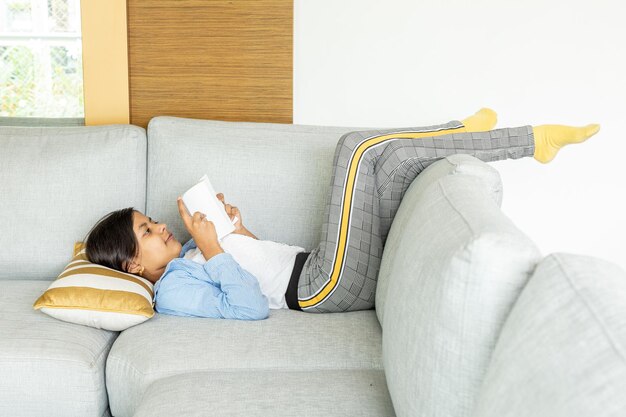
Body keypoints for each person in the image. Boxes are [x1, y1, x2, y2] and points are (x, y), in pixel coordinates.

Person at [85, 108, 600, 318]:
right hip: (319, 287)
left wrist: (238, 231)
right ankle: (522, 141)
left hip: (320, 265)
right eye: (147, 231)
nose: (159, 227)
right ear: (133, 266)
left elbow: (258, 263)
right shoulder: (173, 291)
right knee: (355, 149)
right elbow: (250, 307)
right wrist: (219, 249)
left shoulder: (196, 250)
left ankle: (483, 133)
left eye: (150, 221)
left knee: (393, 161)